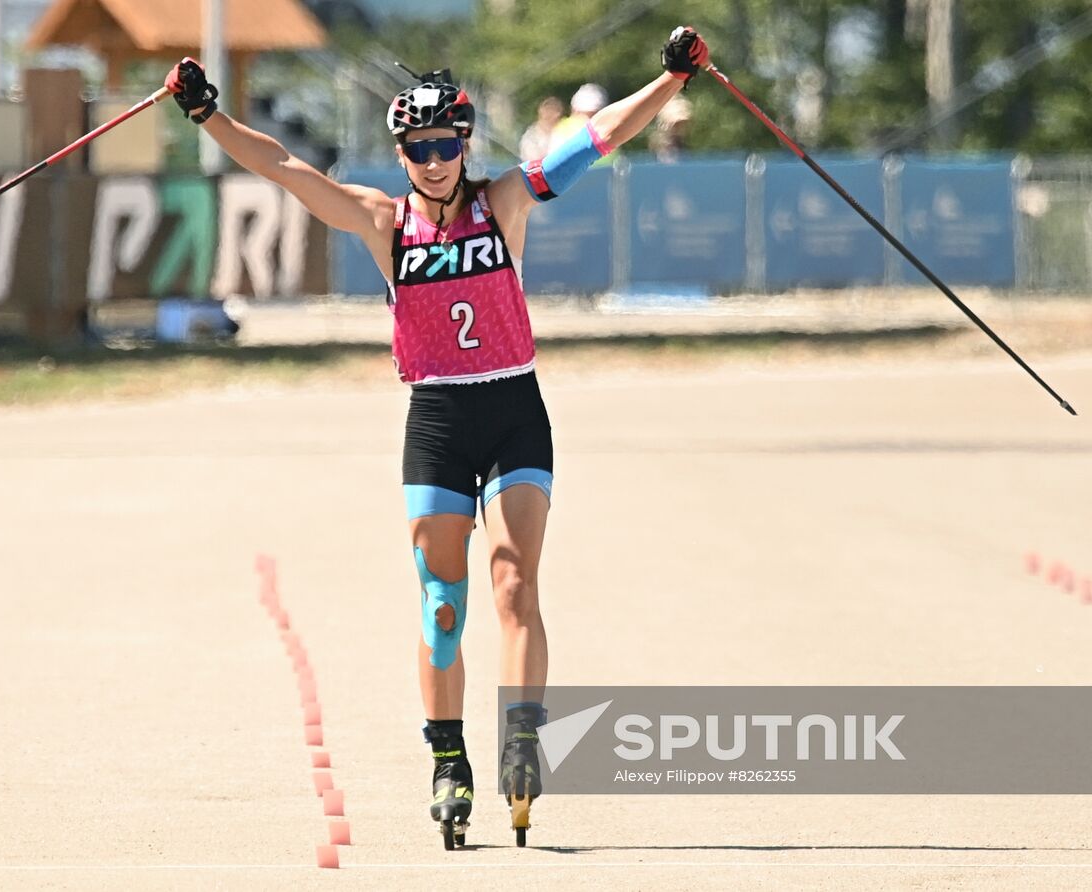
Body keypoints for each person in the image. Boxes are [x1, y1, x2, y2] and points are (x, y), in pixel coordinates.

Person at [163, 24, 710, 848]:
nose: (433, 159)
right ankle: (448, 759)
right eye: (418, 146)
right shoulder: (382, 222)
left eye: (446, 142)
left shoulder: (506, 201)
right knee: (445, 608)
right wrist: (209, 116)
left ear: (464, 141)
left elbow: (597, 137)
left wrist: (672, 80)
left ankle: (523, 739)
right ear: (404, 149)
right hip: (439, 422)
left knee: (516, 586)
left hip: (514, 407)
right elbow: (283, 167)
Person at [547, 82, 615, 166]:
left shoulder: (608, 127)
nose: (589, 118)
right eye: (586, 113)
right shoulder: (563, 129)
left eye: (594, 113)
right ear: (575, 111)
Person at [517, 95, 563, 162]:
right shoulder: (531, 136)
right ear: (540, 111)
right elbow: (533, 161)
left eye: (554, 110)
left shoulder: (563, 132)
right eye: (547, 109)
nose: (549, 113)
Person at [650, 95, 693, 162]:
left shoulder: (683, 151)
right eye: (676, 124)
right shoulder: (654, 154)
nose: (680, 128)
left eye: (682, 124)